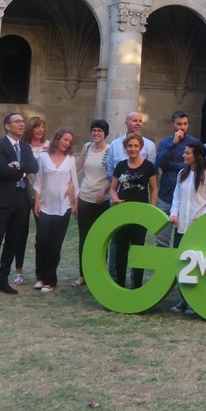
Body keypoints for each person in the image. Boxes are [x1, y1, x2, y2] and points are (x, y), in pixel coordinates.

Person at [0, 113, 39, 300]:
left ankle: (2, 281)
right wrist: (23, 172)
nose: (21, 124)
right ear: (7, 126)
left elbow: (34, 166)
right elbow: (1, 170)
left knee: (13, 241)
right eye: (17, 122)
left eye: (22, 122)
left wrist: (18, 167)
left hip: (22, 200)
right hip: (3, 200)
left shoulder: (25, 147)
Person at [170, 139, 206, 315]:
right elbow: (177, 198)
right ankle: (183, 298)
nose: (184, 155)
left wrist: (201, 217)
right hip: (181, 226)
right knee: (181, 263)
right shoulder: (182, 173)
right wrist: (174, 213)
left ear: (196, 155)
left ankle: (194, 300)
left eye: (187, 153)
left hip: (198, 227)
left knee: (196, 264)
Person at [109, 132, 158, 289]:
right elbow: (112, 188)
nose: (132, 148)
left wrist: (152, 208)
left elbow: (154, 189)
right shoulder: (121, 166)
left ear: (141, 147)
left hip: (140, 214)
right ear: (125, 147)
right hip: (122, 213)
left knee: (138, 251)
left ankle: (136, 286)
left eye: (136, 146)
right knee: (120, 250)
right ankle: (120, 285)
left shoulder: (148, 166)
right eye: (129, 146)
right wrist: (115, 198)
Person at [33, 128, 79, 293]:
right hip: (45, 206)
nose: (67, 143)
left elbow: (74, 182)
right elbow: (38, 182)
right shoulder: (43, 158)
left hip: (63, 207)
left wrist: (75, 204)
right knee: (41, 241)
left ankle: (50, 280)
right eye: (65, 139)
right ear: (57, 139)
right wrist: (36, 202)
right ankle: (40, 277)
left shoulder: (71, 160)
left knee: (55, 244)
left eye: (70, 141)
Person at [74, 119, 111, 287]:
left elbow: (114, 176)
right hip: (85, 197)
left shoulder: (110, 150)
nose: (96, 134)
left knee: (102, 237)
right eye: (94, 130)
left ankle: (99, 272)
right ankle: (83, 274)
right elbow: (77, 166)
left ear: (105, 133)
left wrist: (104, 191)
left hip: (102, 200)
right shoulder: (87, 147)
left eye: (100, 131)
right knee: (85, 236)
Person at [13, 115, 48, 285]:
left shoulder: (49, 147)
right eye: (36, 127)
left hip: (42, 195)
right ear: (30, 129)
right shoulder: (23, 147)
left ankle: (41, 273)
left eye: (42, 127)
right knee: (20, 231)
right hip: (25, 193)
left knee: (42, 234)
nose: (40, 130)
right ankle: (18, 270)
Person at [155, 111, 197, 248]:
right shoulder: (165, 143)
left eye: (185, 124)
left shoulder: (194, 143)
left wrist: (171, 165)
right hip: (166, 195)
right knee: (162, 240)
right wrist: (174, 144)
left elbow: (192, 166)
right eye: (179, 124)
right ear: (173, 124)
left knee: (184, 241)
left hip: (186, 198)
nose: (182, 127)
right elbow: (160, 163)